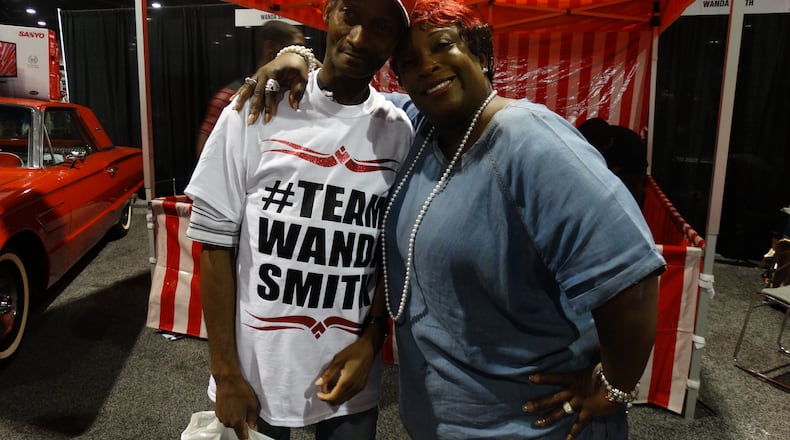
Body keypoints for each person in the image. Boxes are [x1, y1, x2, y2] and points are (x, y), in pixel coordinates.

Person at [241, 1, 665, 438]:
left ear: (480, 53)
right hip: (447, 420)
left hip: (529, 424)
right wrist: (296, 58)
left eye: (443, 46)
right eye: (409, 62)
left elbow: (630, 275)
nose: (427, 66)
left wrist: (614, 385)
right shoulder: (419, 129)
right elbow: (343, 94)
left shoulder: (531, 141)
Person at [183, 1, 416, 439]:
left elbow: (390, 253)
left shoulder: (399, 130)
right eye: (350, 14)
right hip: (256, 373)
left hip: (350, 377)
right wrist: (226, 373)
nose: (360, 37)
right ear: (328, 11)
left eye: (381, 27)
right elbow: (215, 245)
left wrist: (373, 340)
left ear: (394, 44)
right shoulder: (258, 105)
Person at [195, 20, 305, 158]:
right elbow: (206, 154)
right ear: (270, 48)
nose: (302, 55)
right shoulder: (229, 96)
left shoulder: (296, 94)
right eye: (297, 48)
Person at [577, 118, 648, 206]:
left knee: (630, 200)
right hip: (615, 165)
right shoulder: (593, 134)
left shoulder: (631, 145)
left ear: (605, 146)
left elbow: (635, 181)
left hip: (632, 169)